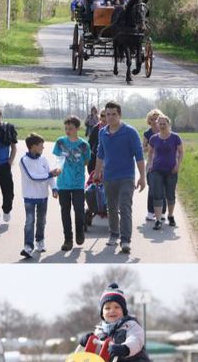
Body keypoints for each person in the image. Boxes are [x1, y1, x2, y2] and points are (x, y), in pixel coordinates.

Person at [93, 102, 146, 255]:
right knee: (111, 208)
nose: (110, 117)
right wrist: (97, 173)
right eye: (107, 114)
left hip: (126, 177)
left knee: (125, 208)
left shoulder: (130, 132)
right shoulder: (102, 132)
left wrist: (142, 177)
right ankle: (113, 234)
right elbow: (100, 153)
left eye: (113, 114)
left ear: (120, 115)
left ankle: (125, 240)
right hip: (109, 177)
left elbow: (139, 155)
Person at [19, 132, 60, 258]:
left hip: (43, 197)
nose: (43, 148)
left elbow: (49, 176)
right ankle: (28, 246)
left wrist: (54, 187)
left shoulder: (43, 159)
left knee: (42, 221)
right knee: (30, 221)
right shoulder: (23, 161)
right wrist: (50, 174)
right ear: (33, 146)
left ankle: (40, 241)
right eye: (41, 145)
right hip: (29, 197)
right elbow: (33, 177)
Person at [53, 116, 90, 251]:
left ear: (78, 128)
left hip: (78, 183)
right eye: (66, 128)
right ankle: (68, 239)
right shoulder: (60, 142)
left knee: (79, 210)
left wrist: (76, 168)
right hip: (63, 183)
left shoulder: (84, 145)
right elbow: (58, 159)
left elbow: (86, 161)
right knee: (65, 211)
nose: (68, 131)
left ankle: (80, 233)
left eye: (71, 128)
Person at [146, 114, 183, 230]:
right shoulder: (154, 138)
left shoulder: (175, 138)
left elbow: (181, 152)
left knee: (170, 194)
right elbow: (150, 152)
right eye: (160, 124)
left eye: (164, 124)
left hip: (171, 170)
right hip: (156, 170)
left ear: (168, 124)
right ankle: (158, 220)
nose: (162, 126)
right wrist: (150, 164)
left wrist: (178, 165)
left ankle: (170, 216)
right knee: (157, 195)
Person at [142, 109, 165, 223]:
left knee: (163, 188)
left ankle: (162, 212)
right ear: (149, 121)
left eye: (156, 118)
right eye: (152, 119)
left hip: (165, 163)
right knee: (152, 188)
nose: (154, 121)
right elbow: (144, 148)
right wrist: (152, 147)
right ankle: (150, 212)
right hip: (151, 164)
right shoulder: (147, 133)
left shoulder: (165, 132)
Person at [86, 108, 106, 175]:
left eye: (106, 115)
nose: (104, 118)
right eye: (102, 115)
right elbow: (89, 145)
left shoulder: (115, 130)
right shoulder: (96, 128)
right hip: (95, 160)